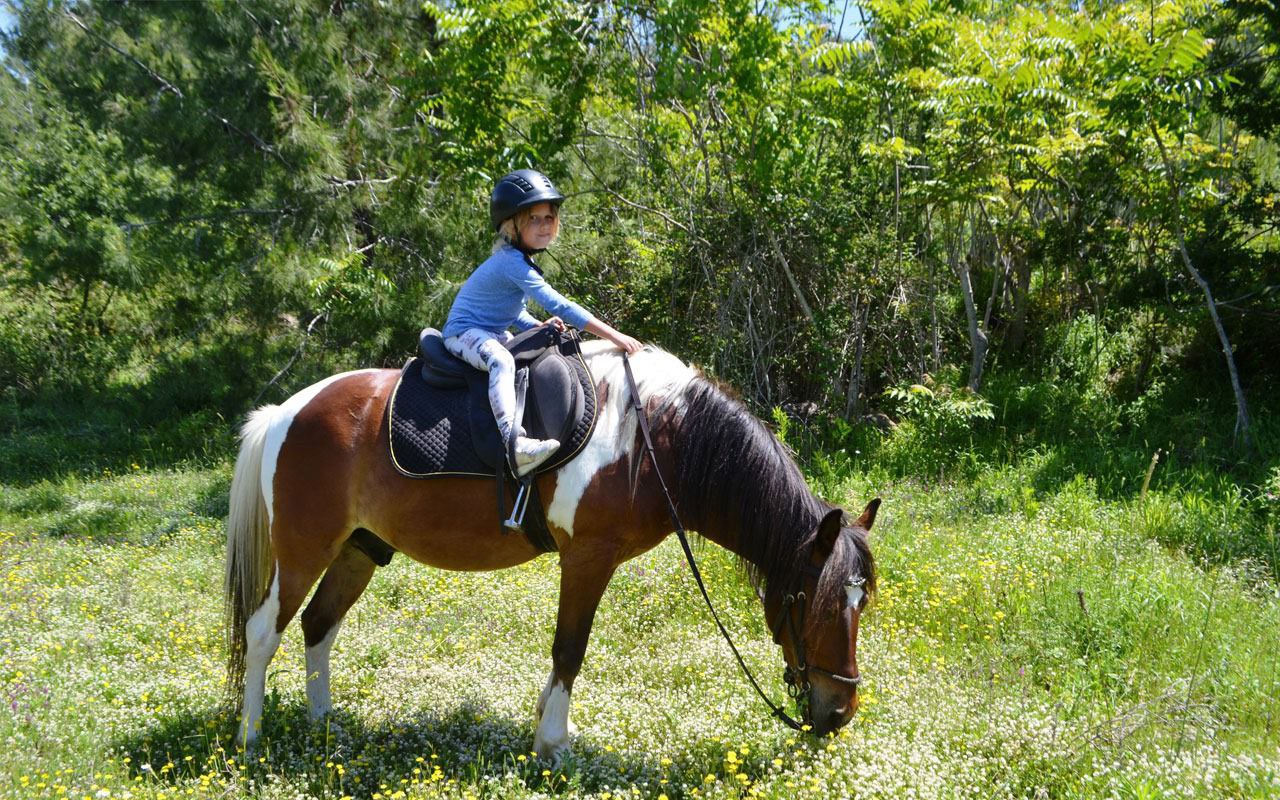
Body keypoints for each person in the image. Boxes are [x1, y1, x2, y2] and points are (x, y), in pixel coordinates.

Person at [443, 169, 643, 477]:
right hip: (463, 333)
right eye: (533, 219)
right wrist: (615, 336)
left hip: (491, 329)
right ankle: (516, 445)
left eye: (548, 218)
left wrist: (535, 324)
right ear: (512, 225)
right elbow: (560, 304)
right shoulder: (512, 262)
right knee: (502, 362)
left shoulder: (520, 261)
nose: (543, 225)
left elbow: (510, 310)